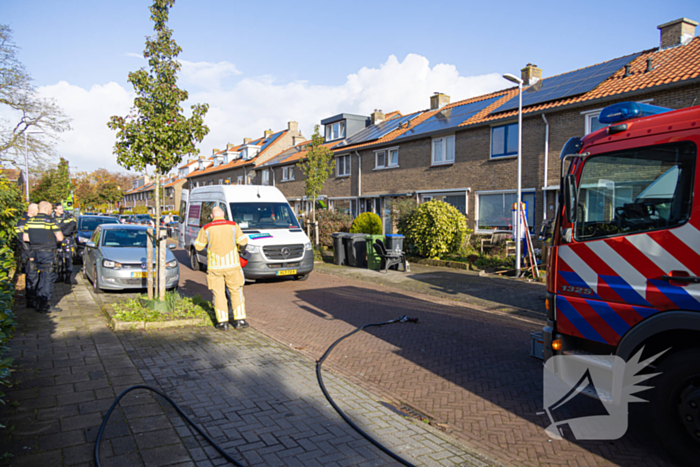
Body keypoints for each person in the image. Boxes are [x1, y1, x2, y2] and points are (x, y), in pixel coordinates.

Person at [194, 206, 249, 331]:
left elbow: (198, 247)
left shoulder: (206, 228)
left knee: (218, 294)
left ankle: (222, 323)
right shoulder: (233, 225)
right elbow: (243, 242)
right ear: (223, 214)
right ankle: (240, 320)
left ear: (212, 216)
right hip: (233, 265)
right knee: (236, 291)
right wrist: (238, 250)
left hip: (215, 267)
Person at [23, 201, 63, 313]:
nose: (51, 211)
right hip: (47, 253)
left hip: (35, 253)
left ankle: (38, 302)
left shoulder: (29, 221)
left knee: (39, 277)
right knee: (48, 277)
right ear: (46, 209)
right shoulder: (50, 221)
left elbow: (25, 238)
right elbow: (60, 237)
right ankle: (45, 305)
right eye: (51, 209)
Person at [15, 203, 39, 308]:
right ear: (33, 211)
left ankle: (35, 298)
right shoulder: (22, 222)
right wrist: (30, 255)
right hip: (28, 253)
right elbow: (22, 240)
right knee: (31, 276)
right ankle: (30, 300)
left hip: (34, 252)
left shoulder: (33, 220)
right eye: (37, 211)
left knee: (35, 276)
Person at [52, 203, 77, 284]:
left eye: (62, 208)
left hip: (67, 240)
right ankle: (59, 276)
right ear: (55, 210)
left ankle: (68, 277)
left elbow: (72, 225)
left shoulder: (68, 216)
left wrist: (62, 234)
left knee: (68, 258)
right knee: (57, 258)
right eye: (59, 209)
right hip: (55, 241)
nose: (62, 210)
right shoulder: (51, 217)